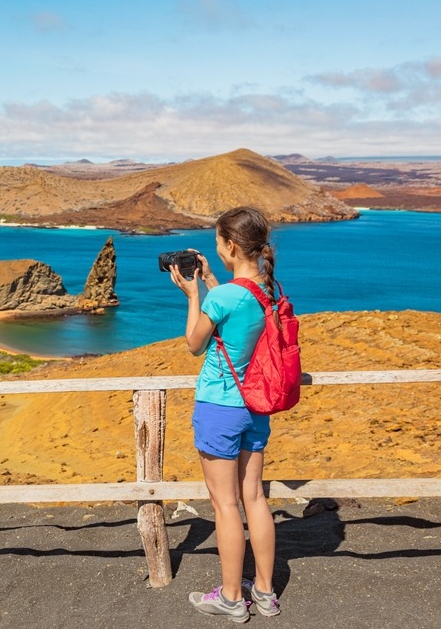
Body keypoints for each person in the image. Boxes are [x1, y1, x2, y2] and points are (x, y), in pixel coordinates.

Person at [167, 206, 281, 623]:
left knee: (225, 505)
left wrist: (194, 295)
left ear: (231, 245)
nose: (216, 249)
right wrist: (212, 281)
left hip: (220, 407)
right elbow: (239, 318)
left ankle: (232, 598)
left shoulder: (221, 297)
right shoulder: (267, 290)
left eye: (218, 242)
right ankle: (264, 592)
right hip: (256, 407)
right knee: (255, 497)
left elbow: (194, 344)